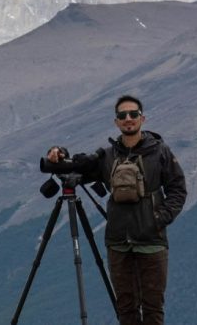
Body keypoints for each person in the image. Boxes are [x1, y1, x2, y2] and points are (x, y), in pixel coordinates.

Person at [43, 94, 187, 325]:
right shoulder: (107, 156)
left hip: (152, 240)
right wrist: (57, 151)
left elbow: (178, 189)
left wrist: (159, 218)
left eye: (133, 114)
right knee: (126, 308)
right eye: (122, 115)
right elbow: (79, 167)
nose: (128, 118)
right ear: (116, 122)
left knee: (153, 308)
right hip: (118, 241)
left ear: (142, 118)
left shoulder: (160, 152)